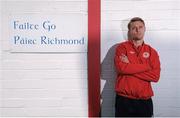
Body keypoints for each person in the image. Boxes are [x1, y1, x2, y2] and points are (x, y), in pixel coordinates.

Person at [114, 17, 161, 117]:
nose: (137, 30)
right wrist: (147, 66)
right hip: (124, 100)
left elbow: (155, 77)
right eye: (134, 28)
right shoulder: (122, 48)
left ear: (144, 29)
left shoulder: (152, 52)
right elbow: (121, 68)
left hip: (144, 101)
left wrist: (129, 64)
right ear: (129, 31)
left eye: (140, 27)